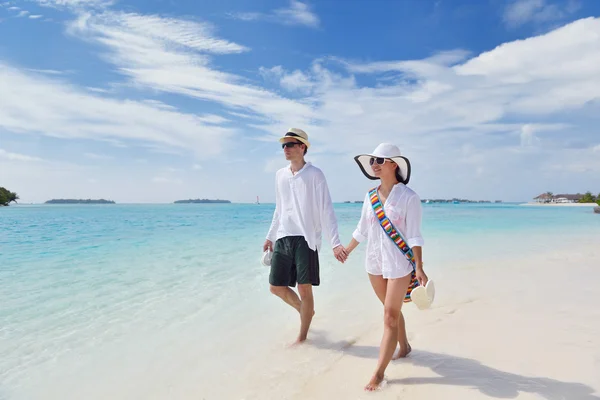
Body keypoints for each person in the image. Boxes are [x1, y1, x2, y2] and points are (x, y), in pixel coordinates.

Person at [344, 143, 429, 391]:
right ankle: (404, 347)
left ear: (394, 164)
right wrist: (346, 250)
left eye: (380, 160)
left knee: (390, 316)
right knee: (390, 310)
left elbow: (414, 236)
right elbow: (362, 230)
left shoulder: (409, 197)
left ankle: (378, 373)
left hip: (400, 264)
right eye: (372, 161)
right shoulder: (370, 197)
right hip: (374, 263)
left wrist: (420, 267)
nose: (374, 164)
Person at [264, 128, 348, 345]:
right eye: (283, 145)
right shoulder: (279, 175)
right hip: (284, 236)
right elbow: (279, 208)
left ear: (303, 147)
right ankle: (305, 311)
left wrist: (335, 243)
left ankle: (302, 338)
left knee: (304, 287)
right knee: (275, 287)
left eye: (290, 144)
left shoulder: (315, 175)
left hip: (306, 237)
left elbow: (326, 209)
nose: (286, 149)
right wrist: (270, 236)